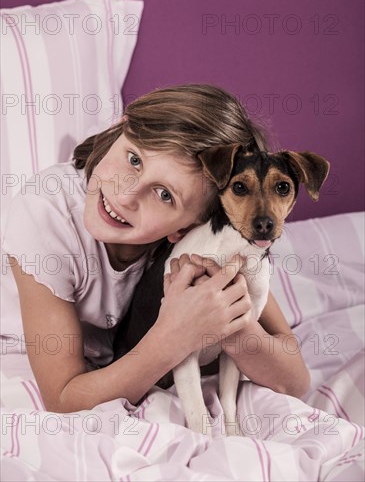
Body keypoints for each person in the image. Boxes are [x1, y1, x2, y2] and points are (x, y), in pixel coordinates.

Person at [2, 84, 310, 413]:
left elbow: (294, 382)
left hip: (121, 355)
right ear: (119, 129)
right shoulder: (46, 216)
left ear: (190, 227)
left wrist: (229, 320)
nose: (126, 195)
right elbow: (63, 400)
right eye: (134, 159)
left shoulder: (208, 241)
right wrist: (175, 336)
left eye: (165, 195)